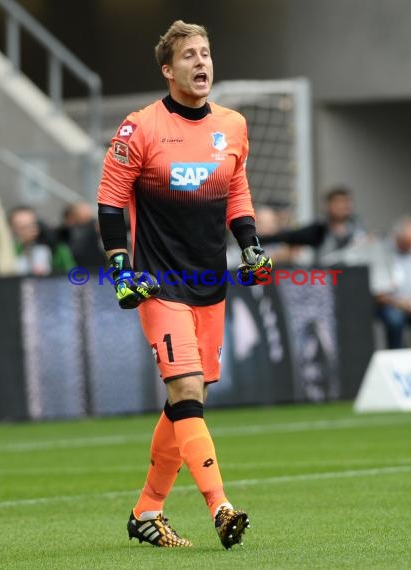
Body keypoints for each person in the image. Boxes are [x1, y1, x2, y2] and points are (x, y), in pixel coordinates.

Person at [97, 20, 272, 549]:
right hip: (159, 281)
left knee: (186, 403)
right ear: (168, 71)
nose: (202, 62)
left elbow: (236, 190)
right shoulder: (140, 127)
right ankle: (221, 507)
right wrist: (122, 269)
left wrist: (251, 246)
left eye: (206, 53)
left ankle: (147, 512)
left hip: (208, 281)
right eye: (190, 56)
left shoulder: (233, 126)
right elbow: (110, 199)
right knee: (186, 391)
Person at [260, 186, 366, 264]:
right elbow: (289, 237)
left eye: (346, 202)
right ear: (329, 205)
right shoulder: (319, 230)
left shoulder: (356, 228)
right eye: (338, 202)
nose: (343, 207)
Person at [374, 216, 411, 348]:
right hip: (390, 304)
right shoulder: (384, 254)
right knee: (395, 319)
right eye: (405, 243)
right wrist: (400, 303)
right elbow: (379, 294)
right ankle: (396, 355)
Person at [8, 205, 53, 276]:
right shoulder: (7, 252)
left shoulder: (43, 250)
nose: (29, 230)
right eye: (21, 227)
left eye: (32, 225)